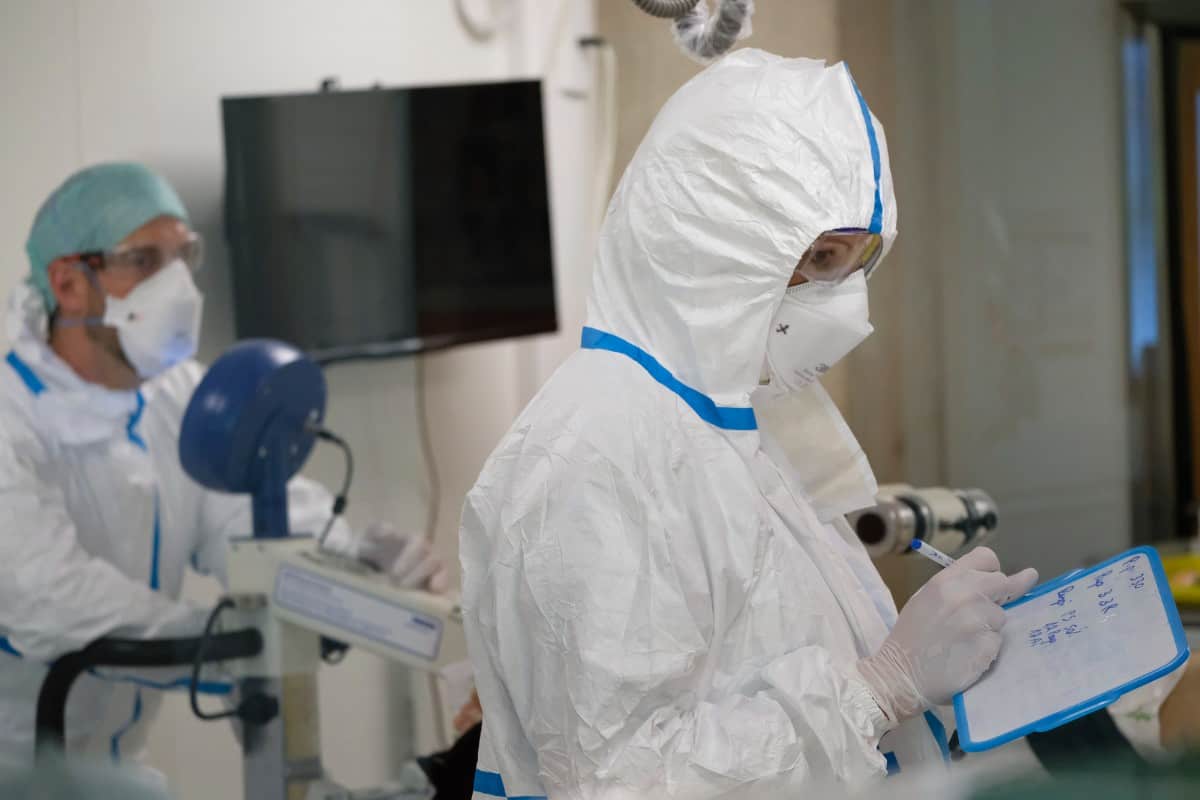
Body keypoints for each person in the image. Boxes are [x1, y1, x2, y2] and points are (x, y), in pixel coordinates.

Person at [459, 49, 1041, 799]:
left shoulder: (736, 423)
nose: (852, 307)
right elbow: (622, 781)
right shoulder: (596, 452)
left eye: (860, 261)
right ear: (717, 239)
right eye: (823, 257)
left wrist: (954, 672)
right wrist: (881, 688)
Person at [0, 162, 447, 769]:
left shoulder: (178, 393)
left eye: (185, 255)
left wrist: (351, 561)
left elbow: (249, 513)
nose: (178, 283)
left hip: (113, 768)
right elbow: (51, 599)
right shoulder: (11, 415)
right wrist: (239, 650)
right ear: (71, 282)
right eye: (146, 260)